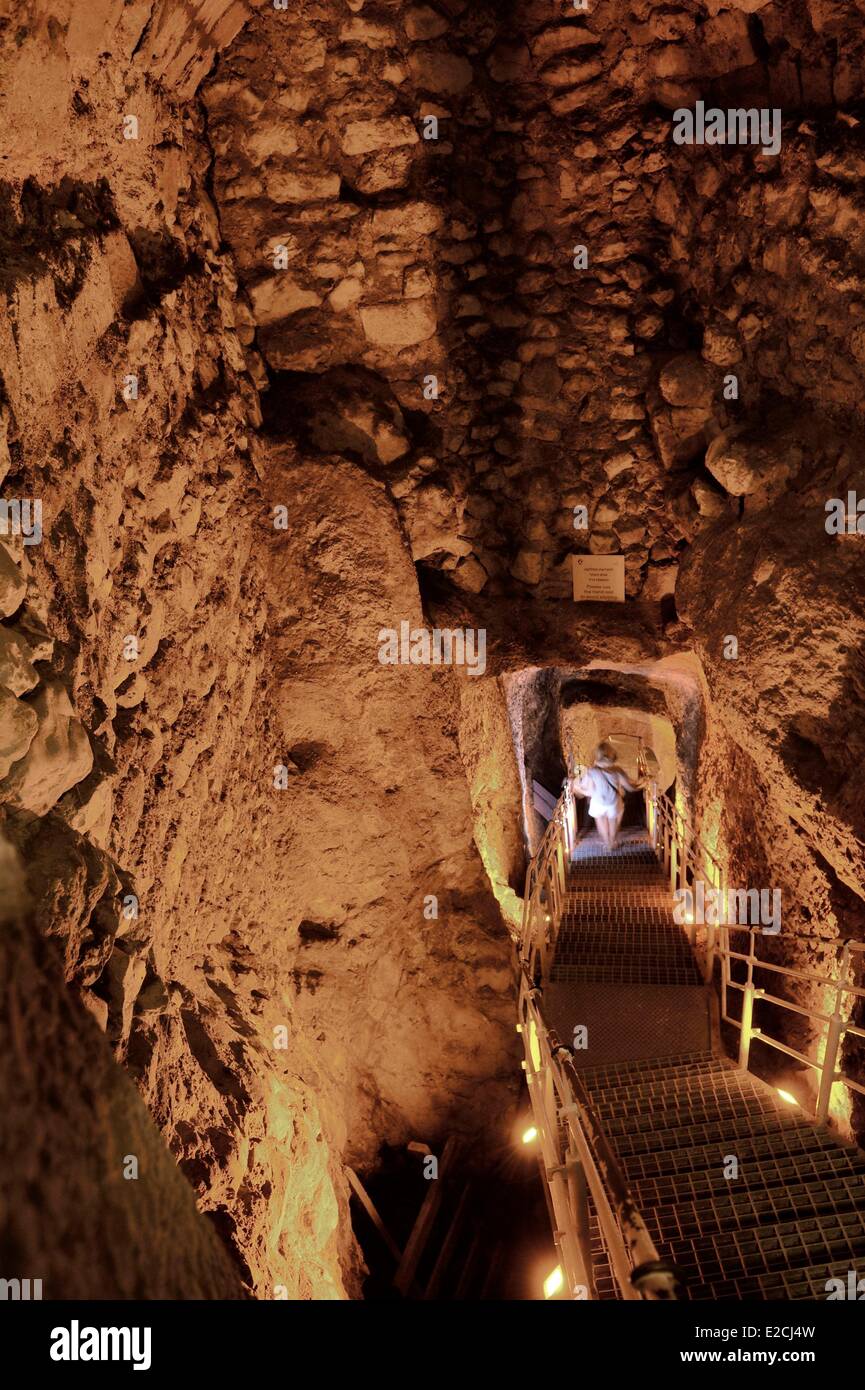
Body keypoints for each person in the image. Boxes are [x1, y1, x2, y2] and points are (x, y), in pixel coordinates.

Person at [572, 742, 644, 851]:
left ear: (597, 756)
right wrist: (643, 783)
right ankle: (612, 842)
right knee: (613, 821)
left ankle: (606, 843)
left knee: (601, 822)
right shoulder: (618, 771)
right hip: (613, 802)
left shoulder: (591, 772)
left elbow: (590, 791)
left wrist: (576, 787)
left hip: (598, 802)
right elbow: (630, 787)